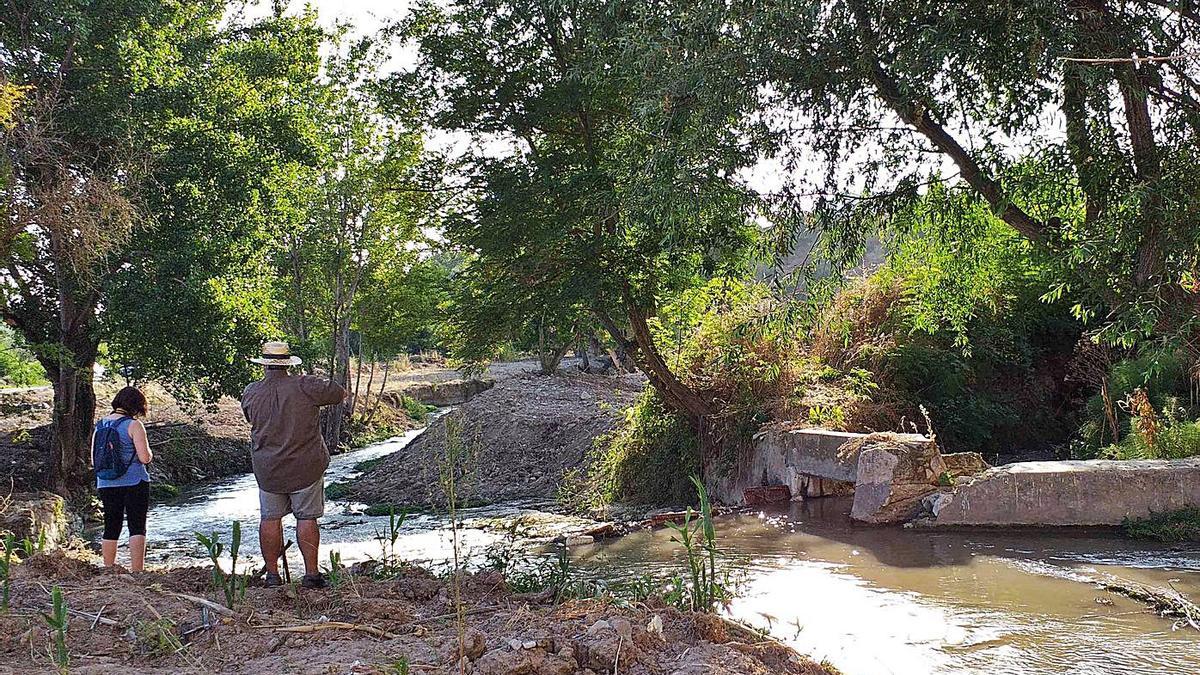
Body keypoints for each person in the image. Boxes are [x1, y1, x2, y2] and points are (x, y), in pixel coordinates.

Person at [241, 341, 346, 589]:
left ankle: (273, 576)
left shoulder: (251, 391)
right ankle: (311, 575)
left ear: (264, 365)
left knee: (270, 517)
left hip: (268, 468)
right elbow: (339, 393)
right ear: (288, 363)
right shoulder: (305, 385)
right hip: (305, 466)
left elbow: (249, 418)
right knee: (307, 518)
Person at [93, 386, 153, 572]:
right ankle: (137, 571)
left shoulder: (100, 425)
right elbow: (144, 458)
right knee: (136, 525)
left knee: (111, 524)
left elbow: (93, 459)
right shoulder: (134, 425)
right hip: (134, 481)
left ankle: (108, 568)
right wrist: (149, 454)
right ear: (137, 406)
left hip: (106, 482)